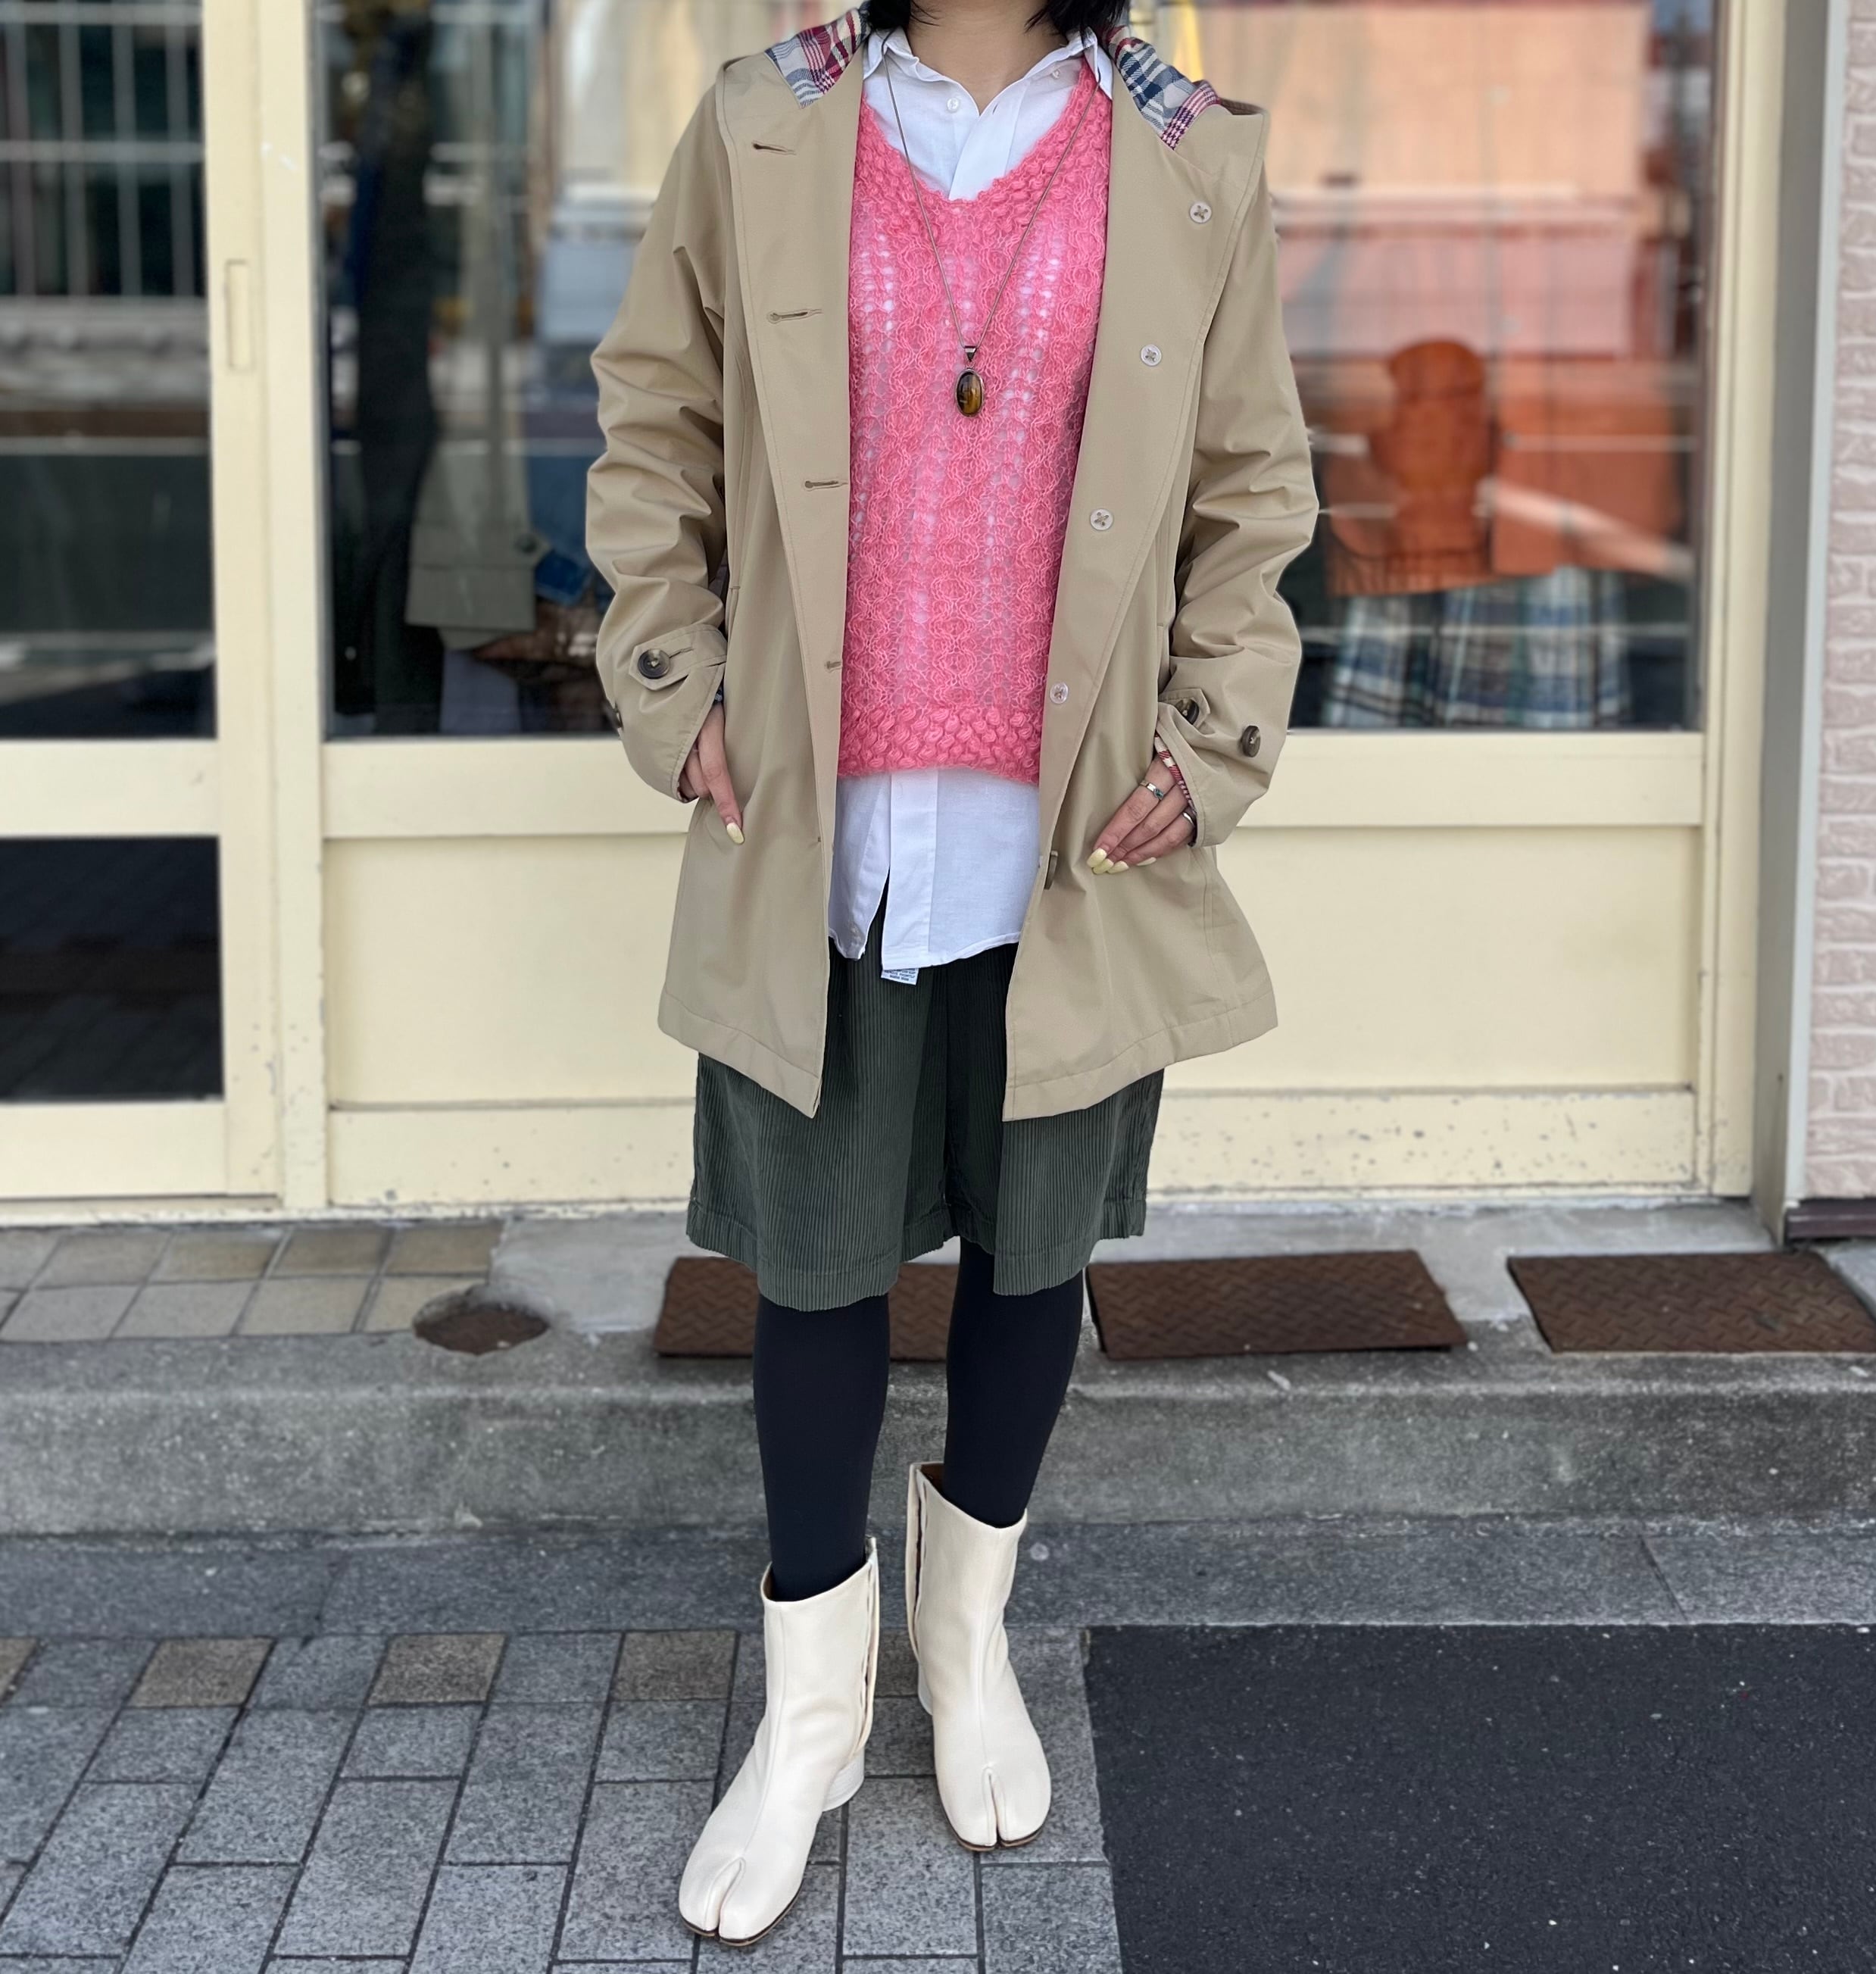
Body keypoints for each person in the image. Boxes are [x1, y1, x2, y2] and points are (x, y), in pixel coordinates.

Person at [585, 0, 1316, 1945]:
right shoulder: (765, 121)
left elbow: (1253, 484)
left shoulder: (1189, 154)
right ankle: (810, 1712)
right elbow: (653, 419)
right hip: (818, 827)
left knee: (1032, 1251)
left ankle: (965, 1643)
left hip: (1073, 835)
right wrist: (673, 681)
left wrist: (1215, 735)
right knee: (814, 1263)